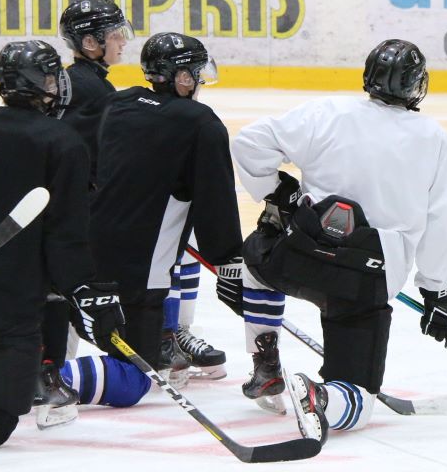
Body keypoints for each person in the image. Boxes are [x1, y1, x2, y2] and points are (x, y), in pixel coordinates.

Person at [231, 39, 447, 445]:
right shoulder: (433, 137)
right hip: (363, 283)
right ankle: (321, 395)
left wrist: (278, 192)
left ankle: (264, 362)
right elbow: (439, 220)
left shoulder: (326, 112)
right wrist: (438, 289)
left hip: (298, 260)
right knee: (357, 400)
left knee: (254, 258)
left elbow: (248, 143)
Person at [57, 32, 285, 414]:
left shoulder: (119, 101)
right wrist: (227, 258)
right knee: (136, 378)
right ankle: (39, 376)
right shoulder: (201, 123)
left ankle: (33, 365)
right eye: (195, 73)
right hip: (137, 282)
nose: (198, 81)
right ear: (181, 78)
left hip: (81, 260)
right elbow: (215, 202)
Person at [0, 41, 123, 451]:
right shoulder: (62, 141)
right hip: (10, 301)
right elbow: (67, 233)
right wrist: (83, 290)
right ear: (45, 82)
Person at [32, 0, 137, 429]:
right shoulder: (95, 89)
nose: (122, 43)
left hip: (48, 205)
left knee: (52, 289)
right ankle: (48, 374)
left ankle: (50, 368)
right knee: (64, 288)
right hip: (68, 211)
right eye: (115, 36)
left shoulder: (74, 80)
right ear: (91, 43)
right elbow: (88, 158)